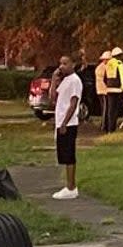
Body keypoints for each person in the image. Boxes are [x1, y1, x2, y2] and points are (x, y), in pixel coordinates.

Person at [51, 55, 83, 199]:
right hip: (60, 121)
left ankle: (71, 186)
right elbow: (53, 99)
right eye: (60, 63)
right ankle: (68, 185)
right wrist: (53, 80)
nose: (61, 66)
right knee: (63, 155)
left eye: (65, 63)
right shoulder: (65, 81)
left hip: (68, 123)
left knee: (69, 154)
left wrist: (65, 122)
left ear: (73, 64)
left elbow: (73, 103)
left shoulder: (75, 81)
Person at [103, 46, 123, 133]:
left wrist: (108, 85)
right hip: (117, 89)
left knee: (110, 110)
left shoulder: (108, 63)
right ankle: (113, 128)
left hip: (109, 89)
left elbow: (105, 78)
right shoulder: (119, 63)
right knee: (115, 110)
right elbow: (122, 76)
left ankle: (109, 128)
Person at [94, 50, 110, 126]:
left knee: (103, 107)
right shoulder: (104, 67)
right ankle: (104, 124)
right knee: (105, 108)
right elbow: (105, 79)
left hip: (99, 89)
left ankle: (104, 124)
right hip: (104, 90)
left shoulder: (98, 67)